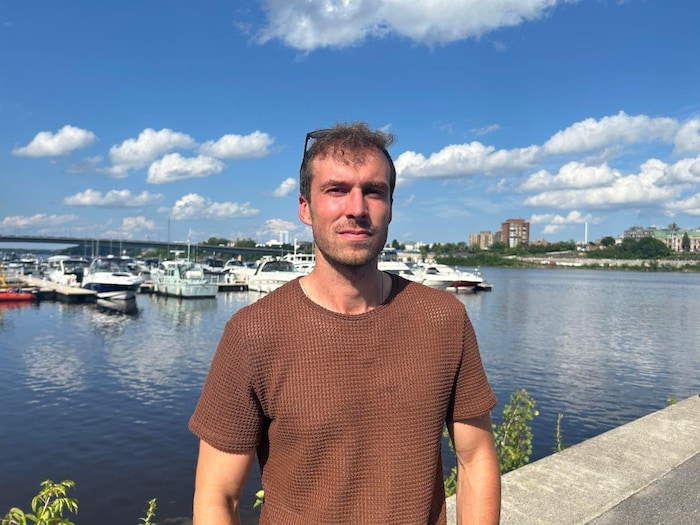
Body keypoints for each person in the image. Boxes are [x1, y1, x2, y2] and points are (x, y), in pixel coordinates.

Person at [189, 122, 501, 524]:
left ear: (391, 207)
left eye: (374, 191)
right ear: (305, 208)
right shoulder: (253, 333)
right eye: (336, 190)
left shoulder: (443, 318)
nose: (357, 208)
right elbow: (218, 496)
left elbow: (475, 459)